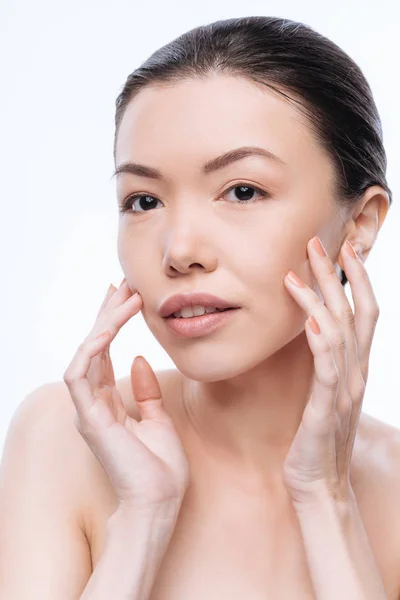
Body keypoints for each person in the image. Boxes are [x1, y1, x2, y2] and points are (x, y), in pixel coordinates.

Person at [0, 15, 396, 600]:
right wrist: (142, 518)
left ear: (358, 225)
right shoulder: (66, 439)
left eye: (242, 191)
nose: (179, 250)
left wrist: (324, 496)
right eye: (143, 200)